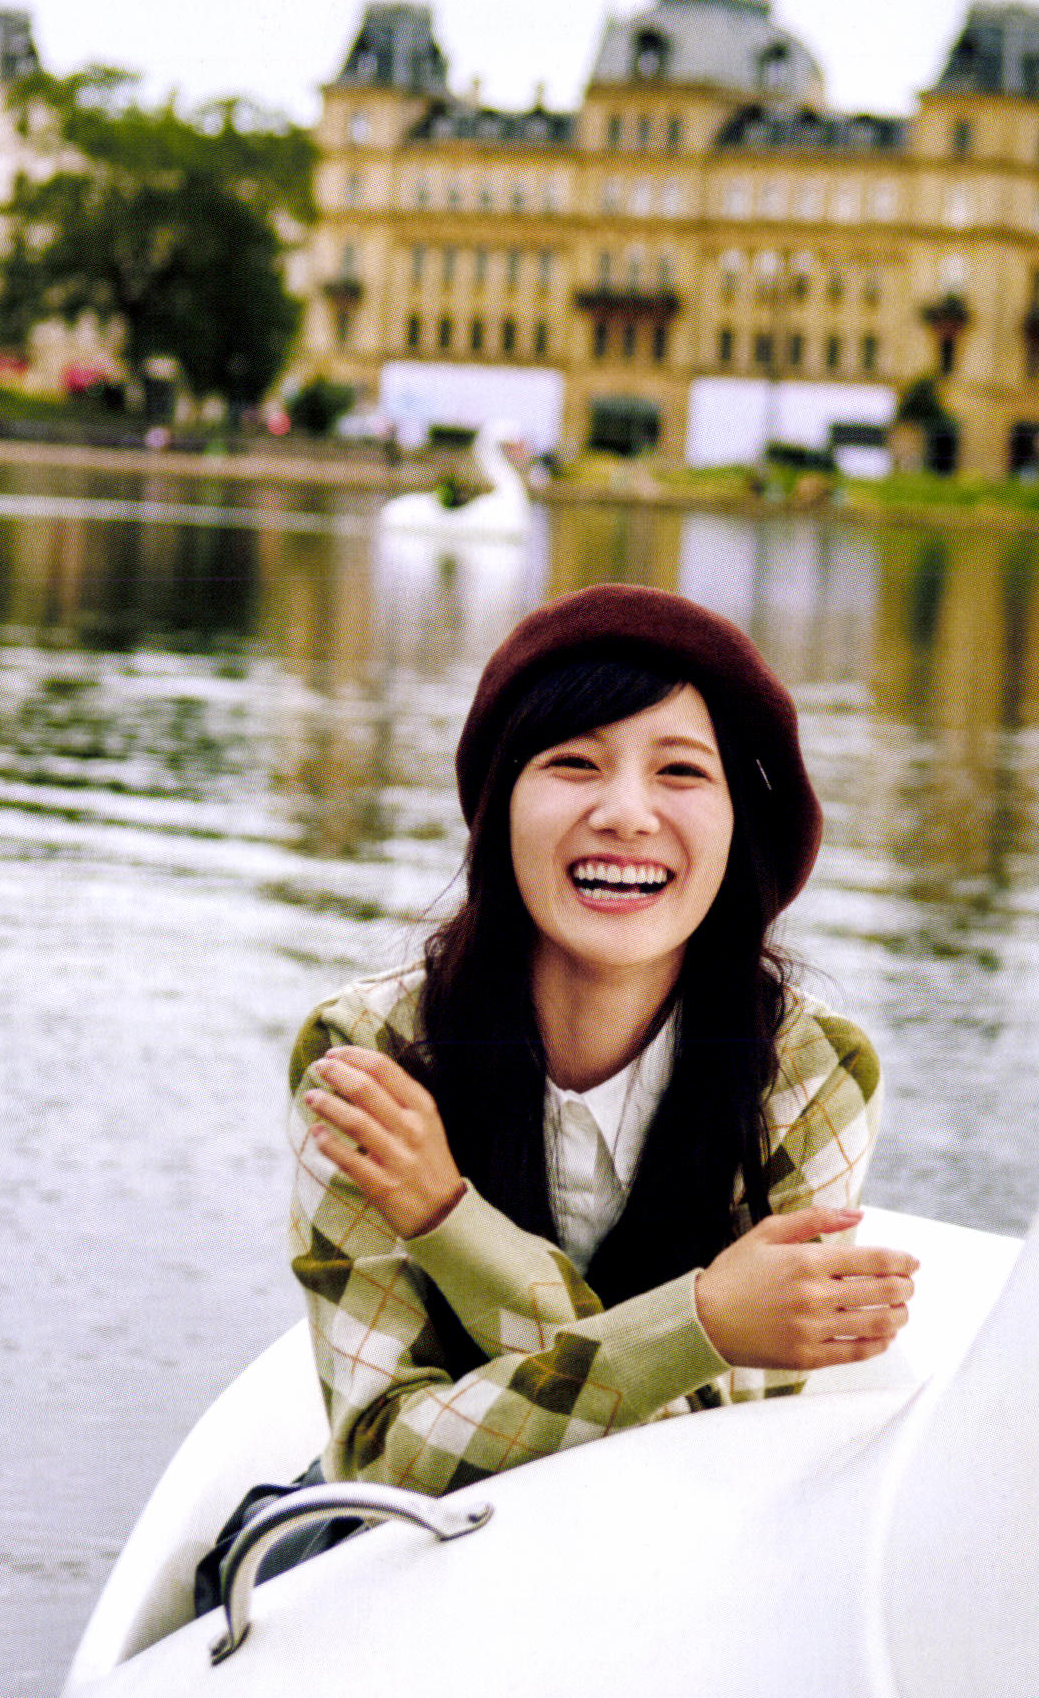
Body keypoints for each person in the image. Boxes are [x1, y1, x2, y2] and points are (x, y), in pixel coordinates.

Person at [288, 584, 916, 1495]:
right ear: (501, 807)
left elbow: (714, 1454)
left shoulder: (812, 1073)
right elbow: (381, 1456)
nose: (627, 812)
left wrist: (450, 1221)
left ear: (740, 821)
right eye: (575, 762)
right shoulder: (371, 1053)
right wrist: (702, 1326)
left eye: (681, 771)